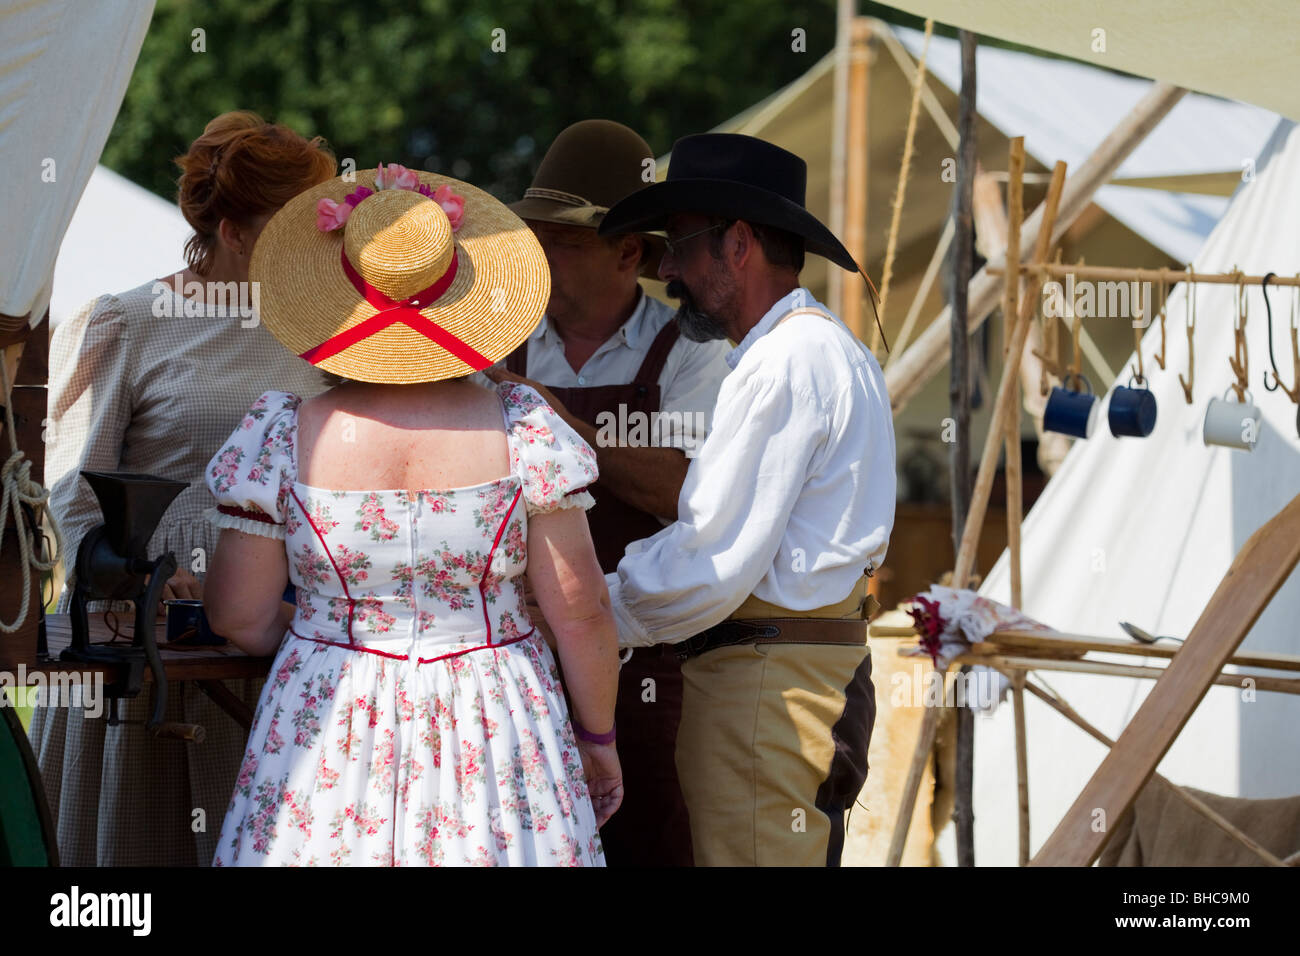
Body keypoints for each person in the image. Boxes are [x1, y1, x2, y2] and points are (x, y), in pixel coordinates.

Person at [201, 162, 621, 866]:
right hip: (496, 717)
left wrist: (328, 634)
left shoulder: (282, 433)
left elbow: (237, 615)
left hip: (329, 709)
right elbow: (580, 610)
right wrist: (600, 740)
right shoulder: (524, 428)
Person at [33, 111, 336, 866]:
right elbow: (72, 490)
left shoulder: (324, 328)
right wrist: (129, 579)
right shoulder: (127, 322)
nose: (311, 243)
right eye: (289, 225)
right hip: (150, 640)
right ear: (233, 232)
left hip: (280, 637)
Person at [596, 133, 897, 867]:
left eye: (681, 245)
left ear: (738, 243)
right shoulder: (811, 348)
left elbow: (711, 558)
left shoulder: (787, 360)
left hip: (770, 690)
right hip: (782, 678)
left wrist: (582, 614)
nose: (667, 269)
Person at [484, 119, 730, 866]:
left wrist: (562, 426)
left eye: (563, 240)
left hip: (649, 661)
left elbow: (690, 490)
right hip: (516, 658)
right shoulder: (500, 341)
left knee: (653, 841)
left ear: (630, 252)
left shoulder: (693, 352)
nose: (540, 255)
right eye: (534, 236)